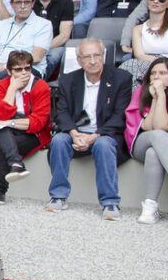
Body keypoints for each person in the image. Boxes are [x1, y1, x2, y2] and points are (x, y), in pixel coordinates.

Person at [44, 38, 132, 218]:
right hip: (77, 132)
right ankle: (58, 196)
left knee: (103, 145)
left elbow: (120, 116)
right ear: (79, 60)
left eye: (96, 55)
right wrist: (74, 134)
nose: (92, 61)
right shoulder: (68, 79)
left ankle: (110, 202)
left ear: (103, 56)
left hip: (105, 133)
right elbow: (61, 112)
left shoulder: (121, 78)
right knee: (59, 140)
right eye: (87, 57)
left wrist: (94, 136)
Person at [125, 56, 168, 224]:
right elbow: (151, 127)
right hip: (142, 141)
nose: (156, 77)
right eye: (153, 73)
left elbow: (165, 124)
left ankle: (150, 206)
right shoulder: (142, 91)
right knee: (158, 136)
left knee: (153, 153)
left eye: (163, 73)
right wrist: (156, 98)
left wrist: (161, 96)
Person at [0, 50, 52, 202]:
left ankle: (0, 188)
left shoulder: (41, 86)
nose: (24, 73)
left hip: (32, 134)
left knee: (5, 141)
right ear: (9, 71)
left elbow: (37, 123)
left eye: (27, 68)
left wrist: (7, 123)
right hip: (10, 130)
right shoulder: (3, 85)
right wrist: (12, 89)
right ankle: (16, 163)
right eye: (18, 69)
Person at [0, 0, 52, 83]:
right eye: (18, 2)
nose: (23, 6)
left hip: (26, 69)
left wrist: (3, 67)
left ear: (33, 4)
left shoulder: (44, 24)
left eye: (27, 2)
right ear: (11, 4)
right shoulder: (1, 24)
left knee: (0, 78)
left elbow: (36, 57)